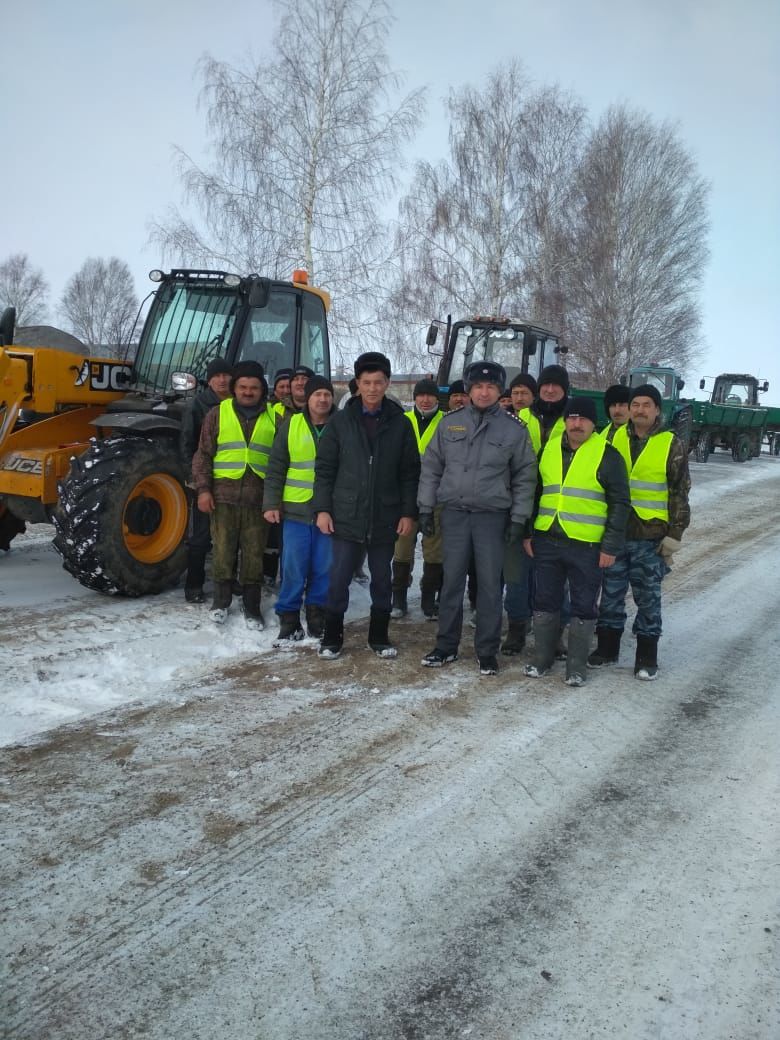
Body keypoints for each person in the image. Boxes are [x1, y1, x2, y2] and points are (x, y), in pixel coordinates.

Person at [418, 360, 537, 676]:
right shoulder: (449, 424)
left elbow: (525, 476)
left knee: (489, 587)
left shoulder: (513, 429)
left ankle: (487, 651)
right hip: (455, 515)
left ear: (500, 392)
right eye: (478, 387)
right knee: (451, 583)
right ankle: (446, 646)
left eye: (491, 387)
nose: (484, 392)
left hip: (492, 518)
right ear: (469, 390)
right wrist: (426, 509)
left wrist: (518, 518)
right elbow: (431, 468)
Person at [312, 352, 420, 659]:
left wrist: (408, 512)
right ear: (357, 384)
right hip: (346, 515)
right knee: (338, 579)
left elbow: (410, 472)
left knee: (382, 580)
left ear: (387, 383)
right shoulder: (340, 422)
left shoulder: (400, 424)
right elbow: (324, 470)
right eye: (366, 382)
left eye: (379, 382)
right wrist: (322, 509)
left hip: (385, 516)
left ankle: (379, 637)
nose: (372, 388)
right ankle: (332, 638)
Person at [522, 398, 630, 686]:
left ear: (594, 424)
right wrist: (528, 532)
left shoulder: (607, 455)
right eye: (572, 418)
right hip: (547, 539)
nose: (576, 423)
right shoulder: (549, 450)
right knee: (544, 601)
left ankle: (576, 666)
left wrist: (610, 547)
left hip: (587, 545)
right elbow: (536, 493)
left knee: (583, 605)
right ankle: (542, 658)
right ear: (566, 421)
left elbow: (620, 504)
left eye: (583, 419)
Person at [588, 383, 691, 679]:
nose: (639, 410)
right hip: (617, 533)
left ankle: (646, 656)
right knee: (610, 593)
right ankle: (607, 649)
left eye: (647, 405)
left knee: (647, 597)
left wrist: (675, 534)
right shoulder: (612, 436)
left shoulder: (670, 443)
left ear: (657, 410)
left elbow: (679, 492)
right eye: (636, 405)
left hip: (651, 535)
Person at [192, 360, 279, 628]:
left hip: (258, 499)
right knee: (223, 551)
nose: (248, 392)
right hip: (223, 497)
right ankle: (221, 602)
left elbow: (280, 462)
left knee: (254, 554)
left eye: (254, 387)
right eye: (243, 387)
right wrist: (203, 490)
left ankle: (252, 607)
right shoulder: (217, 414)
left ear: (262, 390)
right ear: (235, 388)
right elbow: (203, 455)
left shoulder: (276, 417)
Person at [263, 376, 336, 642]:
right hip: (295, 511)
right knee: (294, 566)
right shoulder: (291, 424)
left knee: (324, 566)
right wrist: (271, 503)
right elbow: (276, 467)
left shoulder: (340, 426)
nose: (323, 399)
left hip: (329, 513)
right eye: (317, 394)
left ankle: (317, 614)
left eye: (327, 394)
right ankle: (289, 617)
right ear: (308, 397)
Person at [179, 358, 233, 603]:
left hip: (230, 481)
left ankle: (230, 582)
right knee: (201, 536)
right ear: (209, 380)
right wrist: (193, 478)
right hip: (204, 481)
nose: (222, 380)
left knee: (230, 535)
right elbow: (188, 444)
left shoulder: (237, 404)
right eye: (217, 375)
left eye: (226, 375)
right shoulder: (198, 405)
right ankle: (194, 585)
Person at [391, 378, 445, 620]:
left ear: (436, 398)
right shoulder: (402, 421)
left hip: (437, 496)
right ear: (414, 398)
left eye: (429, 395)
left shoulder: (447, 422)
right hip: (407, 495)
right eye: (421, 395)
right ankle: (399, 598)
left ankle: (428, 598)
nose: (425, 399)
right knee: (402, 547)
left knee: (434, 550)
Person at [517, 364, 569, 455]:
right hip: (526, 468)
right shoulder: (523, 414)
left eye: (556, 385)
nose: (550, 390)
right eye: (546, 384)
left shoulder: (574, 417)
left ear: (565, 389)